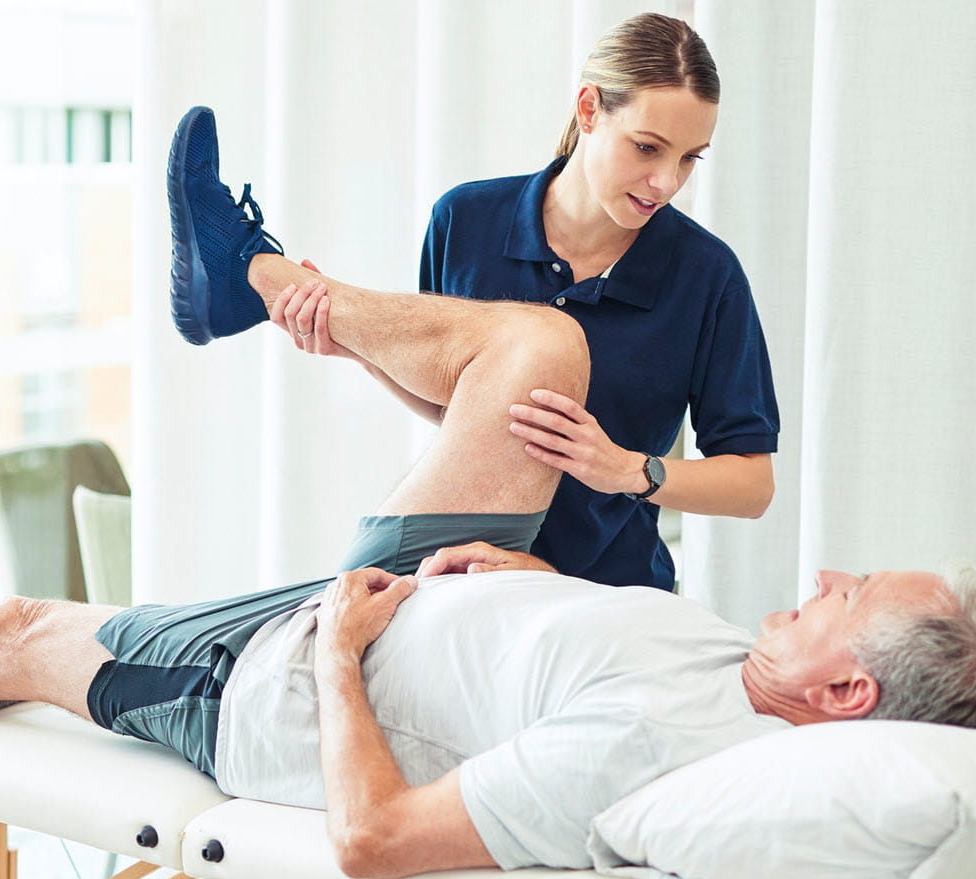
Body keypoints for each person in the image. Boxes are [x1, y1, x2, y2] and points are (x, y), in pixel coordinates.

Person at [0, 109, 976, 879]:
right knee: (539, 348)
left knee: (21, 631)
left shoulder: (660, 767)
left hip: (296, 684)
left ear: (847, 694)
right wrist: (530, 584)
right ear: (591, 125)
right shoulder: (742, 667)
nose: (827, 577)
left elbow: (370, 841)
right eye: (645, 151)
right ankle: (247, 282)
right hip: (439, 582)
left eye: (849, 597)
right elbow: (540, 558)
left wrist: (357, 661)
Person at [260, 14, 776, 591]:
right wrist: (357, 350)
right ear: (588, 109)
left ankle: (251, 272)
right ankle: (267, 280)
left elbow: (752, 486)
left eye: (688, 158)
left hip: (602, 591)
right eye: (647, 147)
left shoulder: (706, 275)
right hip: (455, 573)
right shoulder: (465, 220)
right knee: (314, 629)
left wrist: (628, 469)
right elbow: (458, 408)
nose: (665, 181)